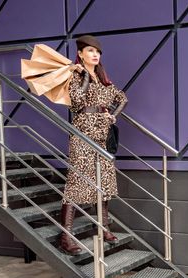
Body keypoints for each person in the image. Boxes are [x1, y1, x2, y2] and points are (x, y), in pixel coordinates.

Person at [59, 35, 128, 255]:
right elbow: (77, 103)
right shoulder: (75, 76)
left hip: (102, 136)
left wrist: (113, 116)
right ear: (80, 54)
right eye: (90, 51)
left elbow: (123, 98)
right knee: (76, 184)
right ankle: (66, 236)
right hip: (83, 134)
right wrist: (84, 76)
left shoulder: (103, 80)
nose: (95, 54)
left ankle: (104, 227)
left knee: (104, 183)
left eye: (97, 51)